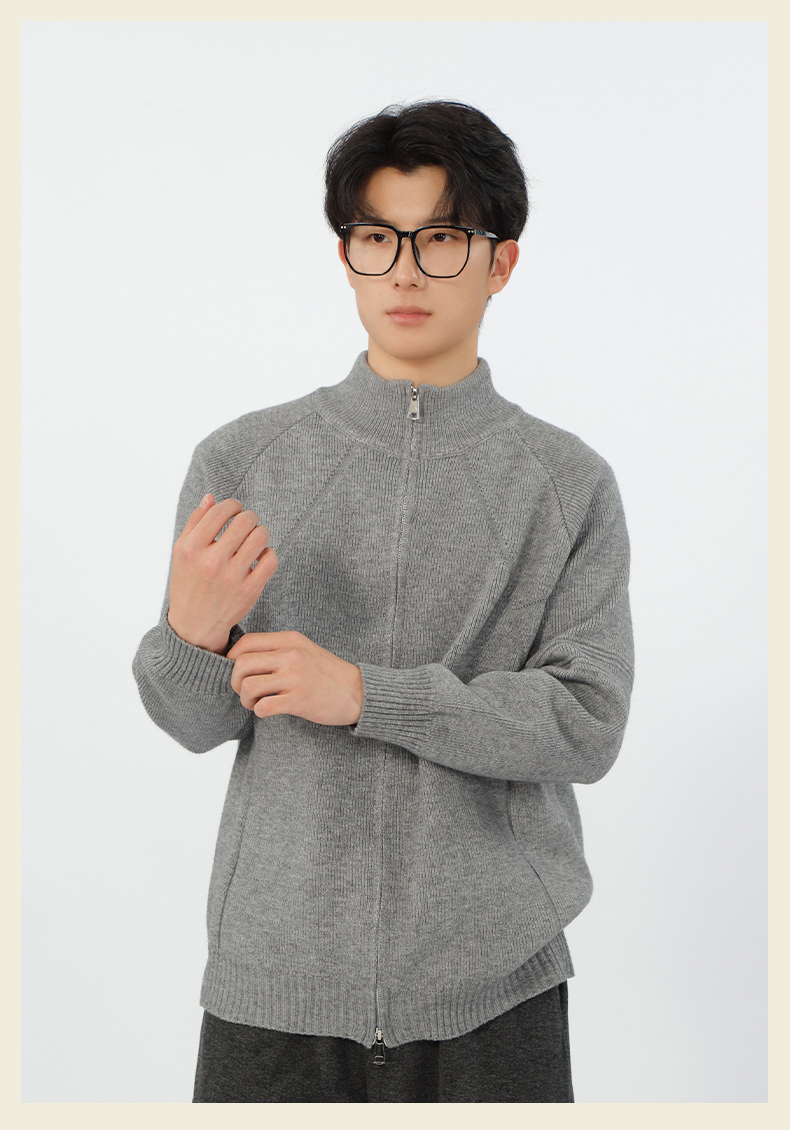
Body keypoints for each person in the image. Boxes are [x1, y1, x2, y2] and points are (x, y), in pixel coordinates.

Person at [132, 99, 634, 1103]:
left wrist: (366, 693)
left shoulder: (567, 483)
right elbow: (193, 721)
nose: (404, 271)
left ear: (500, 263)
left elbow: (585, 722)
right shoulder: (243, 461)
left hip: (495, 986)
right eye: (376, 238)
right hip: (274, 980)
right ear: (347, 255)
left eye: (440, 239)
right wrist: (187, 632)